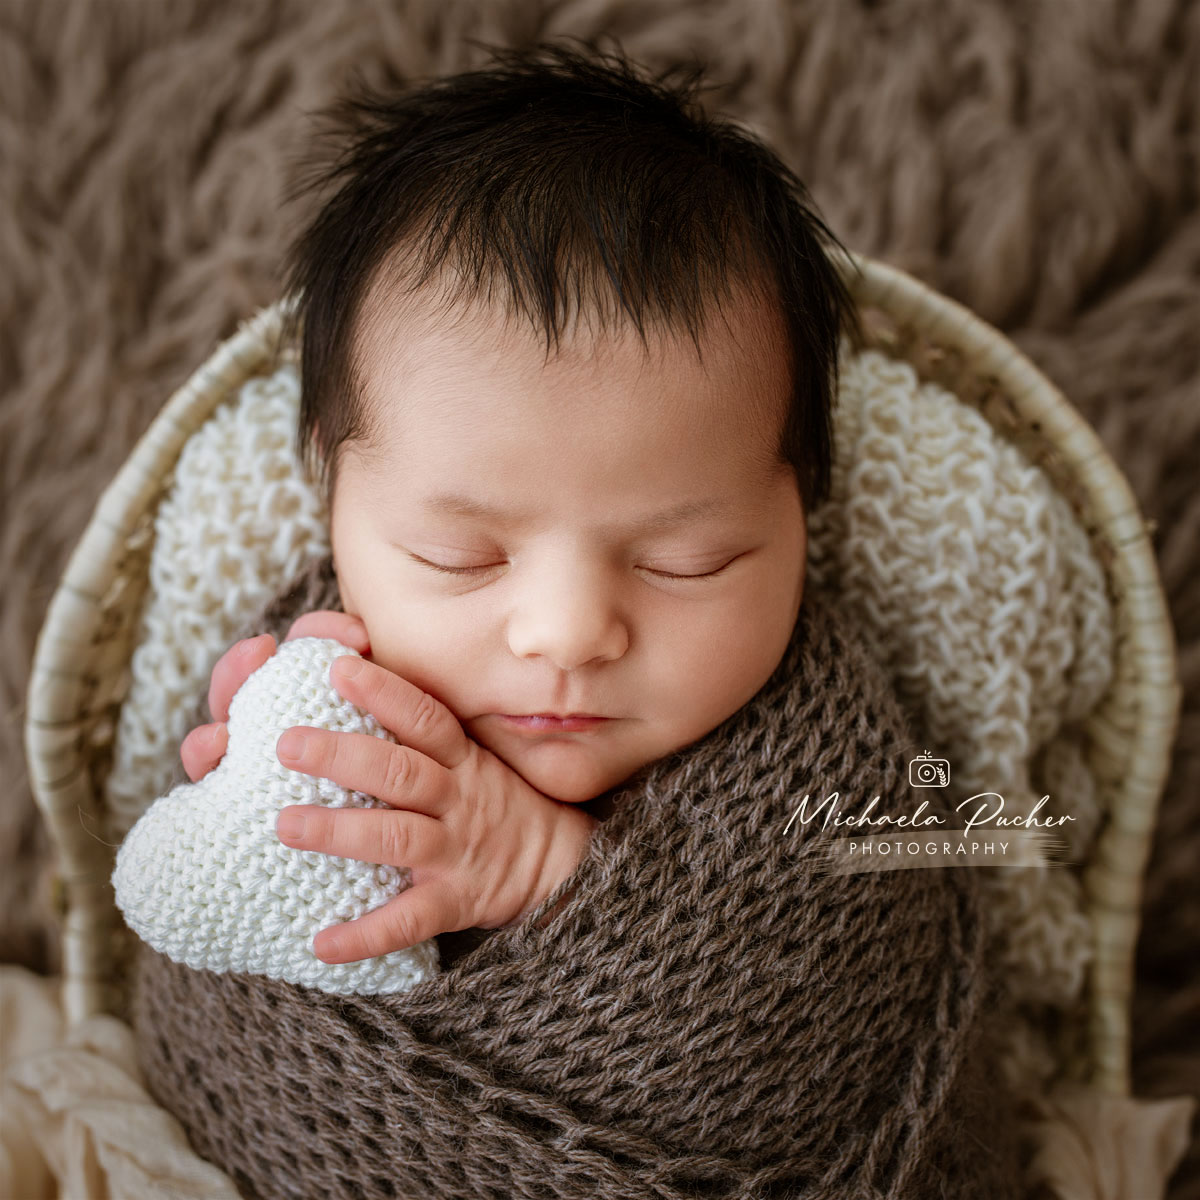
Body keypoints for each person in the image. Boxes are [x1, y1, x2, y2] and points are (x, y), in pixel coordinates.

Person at [139, 39, 1025, 1197]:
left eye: (685, 558)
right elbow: (194, 994)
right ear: (334, 501)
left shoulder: (844, 780)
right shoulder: (321, 679)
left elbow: (826, 1038)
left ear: (805, 505)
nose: (566, 633)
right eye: (457, 555)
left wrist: (547, 871)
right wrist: (253, 825)